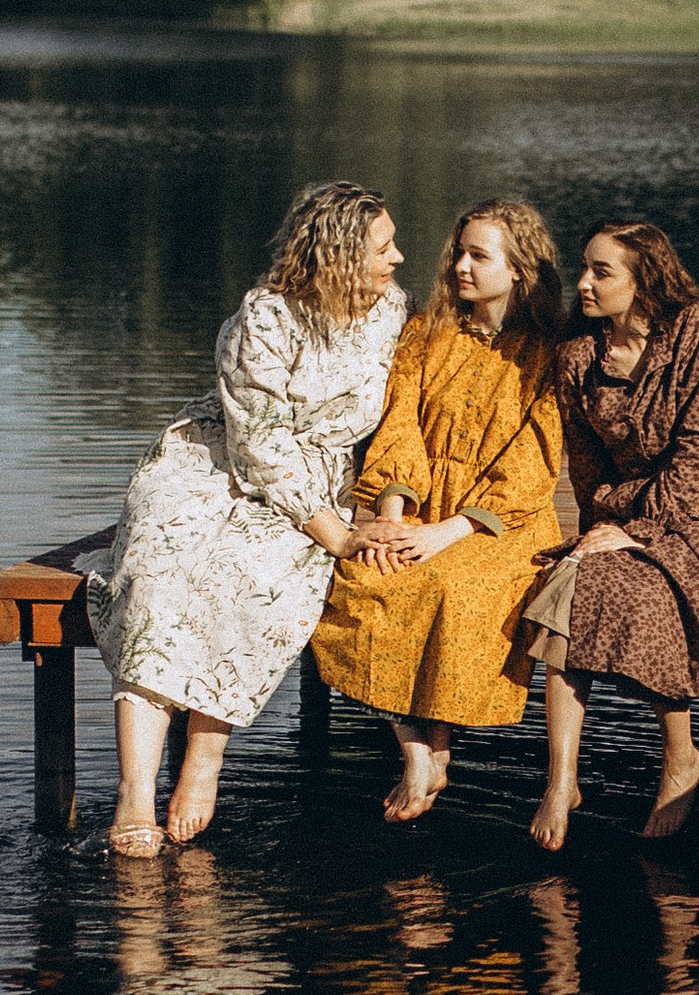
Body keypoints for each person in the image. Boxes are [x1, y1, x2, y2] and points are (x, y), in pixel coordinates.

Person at [87, 180, 414, 857]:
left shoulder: (391, 312)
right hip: (218, 459)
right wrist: (339, 536)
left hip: (322, 477)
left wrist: (355, 521)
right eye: (384, 247)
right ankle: (135, 791)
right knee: (160, 573)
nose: (399, 258)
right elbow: (260, 447)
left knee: (259, 570)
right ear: (340, 255)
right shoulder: (263, 318)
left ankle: (204, 760)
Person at [514, 220, 699, 846]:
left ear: (644, 280)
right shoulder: (579, 354)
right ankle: (560, 780)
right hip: (621, 512)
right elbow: (586, 466)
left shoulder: (694, 329)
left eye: (601, 272)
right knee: (572, 585)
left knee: (656, 597)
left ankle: (682, 755)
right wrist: (603, 530)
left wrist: (638, 531)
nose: (582, 283)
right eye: (584, 268)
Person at [311, 198, 566, 823]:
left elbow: (531, 469)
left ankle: (440, 739)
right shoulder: (427, 332)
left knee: (457, 588)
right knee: (366, 572)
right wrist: (393, 516)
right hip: (422, 504)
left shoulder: (548, 352)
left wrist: (450, 531)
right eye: (459, 252)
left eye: (479, 256)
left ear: (521, 268)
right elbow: (400, 428)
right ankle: (418, 748)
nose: (460, 266)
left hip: (502, 521)